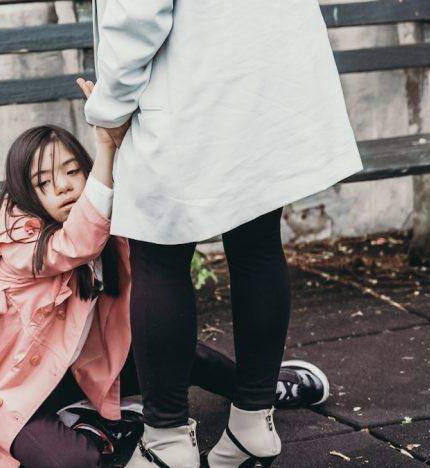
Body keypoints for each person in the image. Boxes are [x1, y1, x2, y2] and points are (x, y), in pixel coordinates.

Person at [0, 95, 331, 467]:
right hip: (15, 395)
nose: (62, 187)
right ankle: (95, 423)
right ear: (26, 195)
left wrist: (128, 129)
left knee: (181, 354)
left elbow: (140, 231)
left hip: (79, 371)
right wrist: (105, 145)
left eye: (71, 171)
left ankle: (261, 390)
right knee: (73, 462)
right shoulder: (19, 243)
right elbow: (74, 243)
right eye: (43, 183)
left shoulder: (104, 224)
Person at [81, 1, 364, 467]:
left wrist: (109, 107)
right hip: (261, 71)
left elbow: (138, 13)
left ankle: (166, 443)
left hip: (191, 78)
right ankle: (254, 422)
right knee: (256, 243)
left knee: (158, 252)